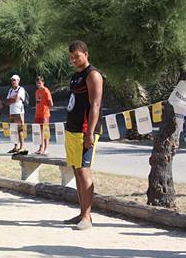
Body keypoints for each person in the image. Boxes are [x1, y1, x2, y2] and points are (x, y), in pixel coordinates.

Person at [64, 40, 103, 230]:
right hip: (71, 129)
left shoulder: (93, 75)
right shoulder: (75, 76)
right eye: (71, 57)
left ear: (86, 54)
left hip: (84, 130)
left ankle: (87, 217)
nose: (74, 60)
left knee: (84, 171)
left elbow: (95, 105)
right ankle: (81, 212)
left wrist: (90, 133)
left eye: (77, 56)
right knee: (76, 171)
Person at [6, 74, 27, 153]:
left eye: (14, 80)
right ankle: (15, 146)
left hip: (19, 112)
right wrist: (12, 99)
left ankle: (22, 147)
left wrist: (12, 99)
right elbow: (7, 101)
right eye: (12, 80)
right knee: (13, 130)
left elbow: (17, 99)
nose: (13, 82)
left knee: (20, 129)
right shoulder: (10, 90)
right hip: (11, 112)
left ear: (18, 81)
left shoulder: (21, 89)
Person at [34, 76, 54, 155]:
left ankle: (46, 148)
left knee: (45, 132)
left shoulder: (46, 90)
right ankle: (40, 148)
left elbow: (51, 103)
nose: (38, 85)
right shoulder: (36, 91)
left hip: (44, 114)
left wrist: (47, 108)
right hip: (37, 114)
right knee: (39, 132)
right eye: (37, 83)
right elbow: (37, 102)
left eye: (40, 83)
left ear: (43, 83)